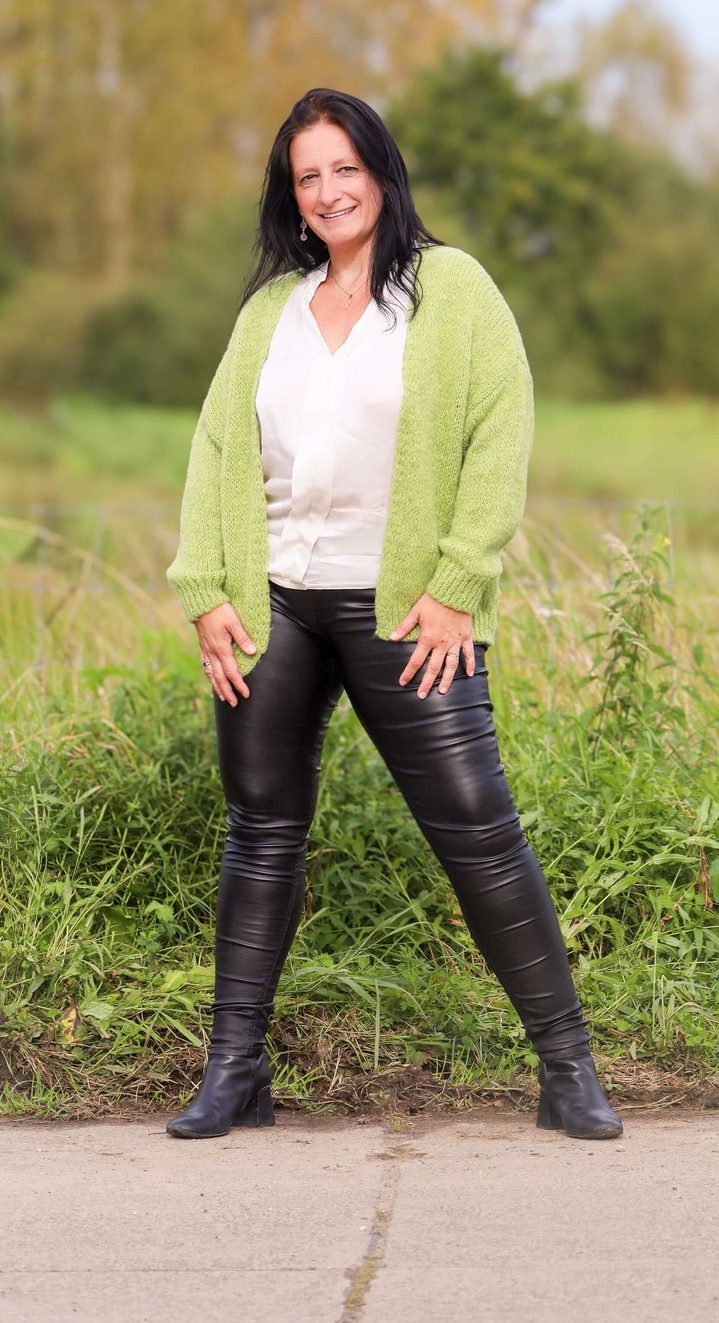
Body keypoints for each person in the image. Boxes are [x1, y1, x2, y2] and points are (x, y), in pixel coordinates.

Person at [163, 87, 622, 1142]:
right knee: (261, 831)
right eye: (306, 176)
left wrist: (460, 579)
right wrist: (207, 595)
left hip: (406, 607)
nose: (327, 191)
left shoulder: (449, 290)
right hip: (273, 599)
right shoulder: (269, 311)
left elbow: (502, 434)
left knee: (479, 828)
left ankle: (568, 1069)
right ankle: (235, 1073)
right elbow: (216, 452)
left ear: (381, 170)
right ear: (293, 194)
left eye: (342, 168)